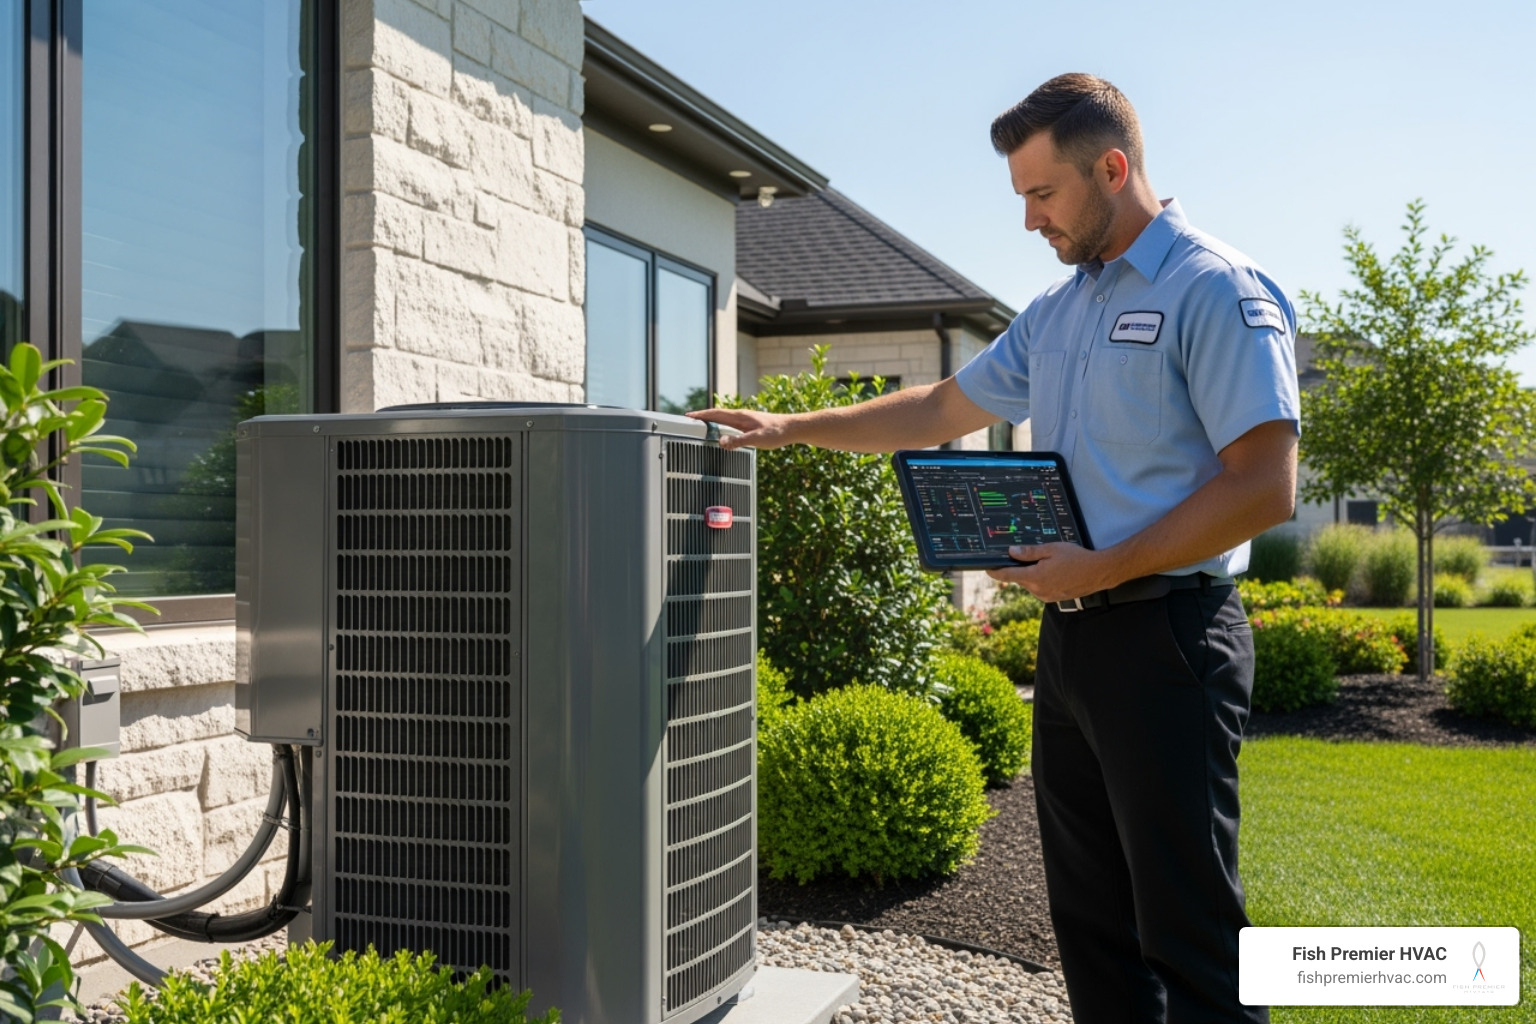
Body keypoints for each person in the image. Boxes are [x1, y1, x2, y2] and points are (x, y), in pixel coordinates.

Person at [691, 72, 1297, 1023]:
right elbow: (939, 406)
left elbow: (1264, 486)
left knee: (1190, 932)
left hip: (1170, 638)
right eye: (1020, 197)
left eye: (1041, 194)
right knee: (1091, 929)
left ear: (1113, 167)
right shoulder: (1059, 310)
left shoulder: (1215, 288)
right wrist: (791, 426)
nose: (1029, 221)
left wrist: (1095, 568)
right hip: (1074, 646)